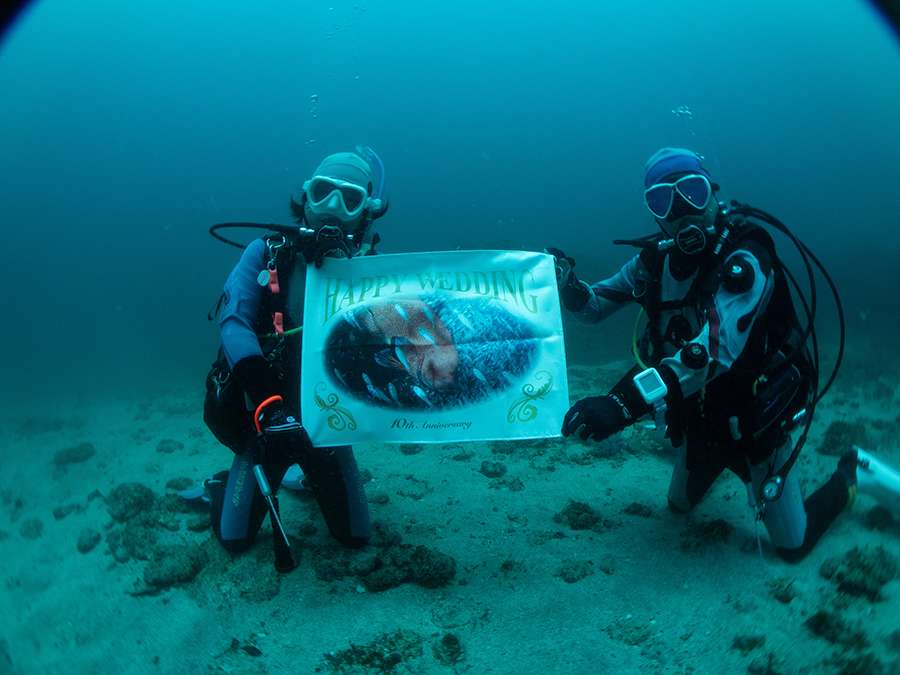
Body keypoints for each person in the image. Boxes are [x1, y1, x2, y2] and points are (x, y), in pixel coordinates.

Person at [550, 147, 900, 562]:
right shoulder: (651, 264)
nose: (683, 210)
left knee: (792, 545)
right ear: (655, 212)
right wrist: (569, 284)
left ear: (713, 194)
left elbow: (714, 352)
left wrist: (621, 404)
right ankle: (714, 467)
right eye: (664, 199)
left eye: (693, 192)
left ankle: (852, 471)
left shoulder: (746, 257)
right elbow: (592, 307)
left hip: (753, 421)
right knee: (677, 507)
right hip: (699, 420)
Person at [201, 147, 389, 570]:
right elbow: (233, 324)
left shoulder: (377, 273)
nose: (334, 210)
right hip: (265, 423)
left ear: (367, 213)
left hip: (329, 425)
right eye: (323, 193)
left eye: (351, 199)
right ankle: (221, 484)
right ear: (305, 199)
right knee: (234, 537)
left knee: (355, 536)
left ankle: (302, 477)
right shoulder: (264, 254)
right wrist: (268, 403)